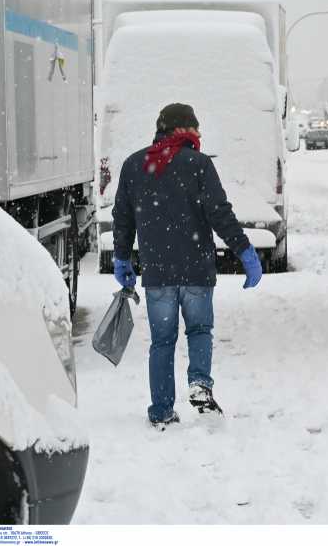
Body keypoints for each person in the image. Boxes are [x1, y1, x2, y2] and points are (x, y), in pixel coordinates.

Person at [111, 103, 263, 430]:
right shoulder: (198, 165)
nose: (200, 134)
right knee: (199, 330)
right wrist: (245, 251)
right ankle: (199, 384)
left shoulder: (135, 164)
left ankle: (162, 411)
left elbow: (123, 218)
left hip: (158, 274)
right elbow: (220, 213)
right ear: (185, 130)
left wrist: (122, 257)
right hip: (196, 270)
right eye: (196, 128)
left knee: (162, 342)